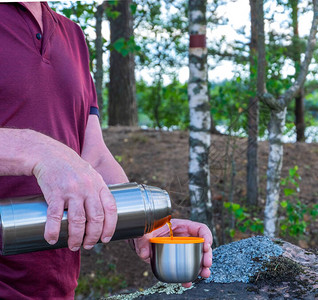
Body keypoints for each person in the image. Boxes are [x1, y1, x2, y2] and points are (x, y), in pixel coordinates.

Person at [0, 2, 212, 298]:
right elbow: (47, 154)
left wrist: (145, 223)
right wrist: (37, 150)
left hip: (54, 287)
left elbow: (94, 156)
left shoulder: (71, 35)